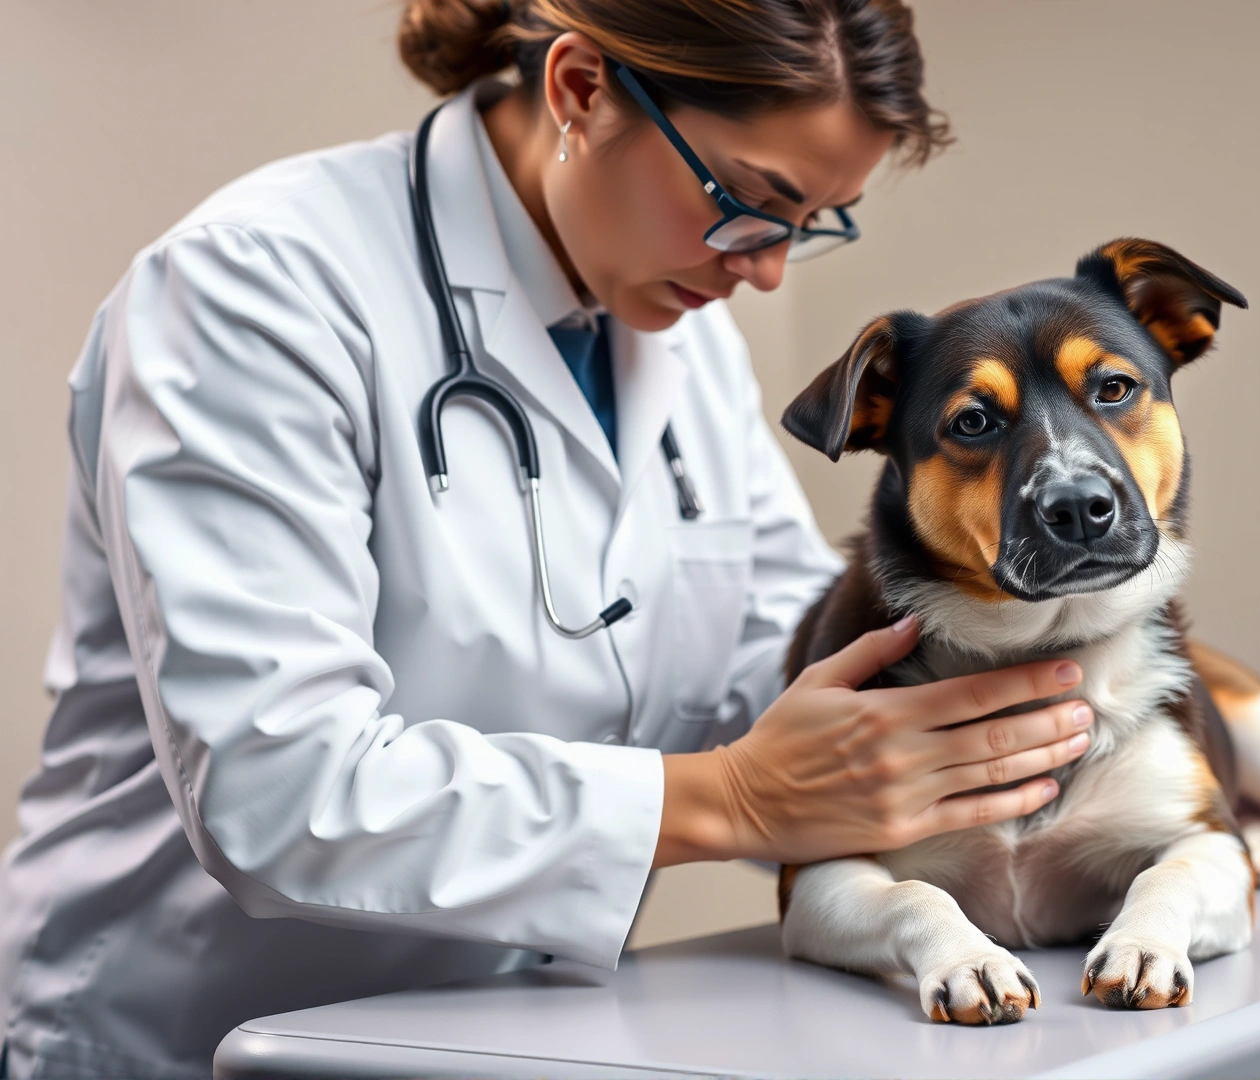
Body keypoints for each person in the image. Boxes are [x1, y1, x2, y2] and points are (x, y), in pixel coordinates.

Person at [0, 2, 1095, 1075]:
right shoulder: (257, 287)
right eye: (752, 200)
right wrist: (733, 799)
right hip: (189, 1032)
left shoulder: (672, 323)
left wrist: (1134, 720)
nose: (762, 269)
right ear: (579, 89)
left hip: (516, 1036)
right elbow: (278, 784)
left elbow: (786, 649)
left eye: (811, 225)